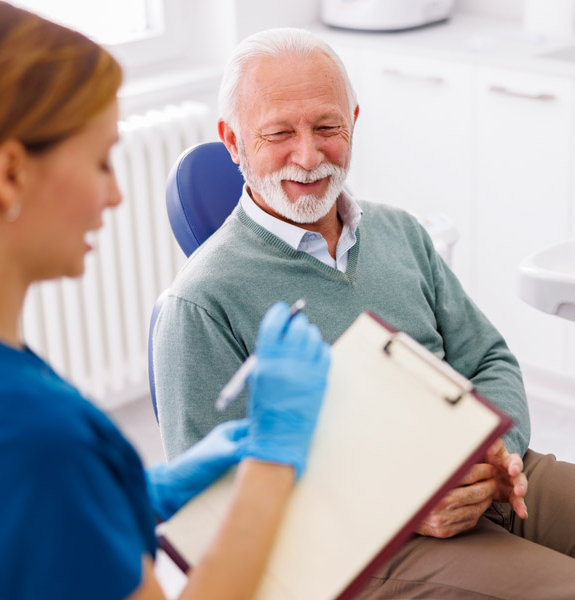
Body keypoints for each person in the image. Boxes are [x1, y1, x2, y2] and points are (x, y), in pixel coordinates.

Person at [153, 27, 575, 599]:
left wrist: (493, 456)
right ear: (233, 142)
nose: (308, 155)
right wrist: (401, 502)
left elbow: (489, 357)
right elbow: (214, 517)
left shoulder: (400, 231)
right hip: (374, 543)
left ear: (353, 120)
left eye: (328, 127)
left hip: (487, 477)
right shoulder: (199, 303)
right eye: (279, 133)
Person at [0, 4, 332, 599]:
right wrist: (274, 457)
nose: (115, 195)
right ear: (10, 173)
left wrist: (136, 492)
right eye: (99, 161)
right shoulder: (33, 435)